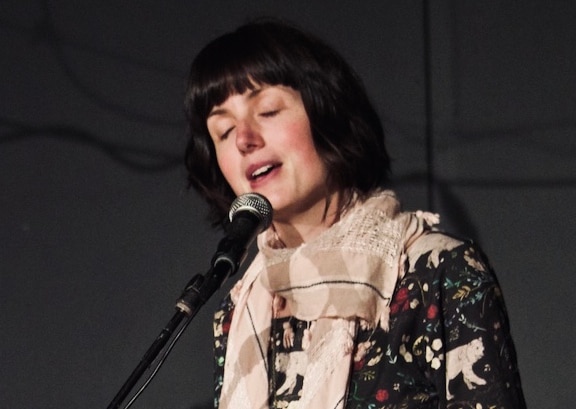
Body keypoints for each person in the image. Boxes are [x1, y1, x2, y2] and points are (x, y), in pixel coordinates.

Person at [184, 19, 526, 409]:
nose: (245, 139)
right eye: (224, 131)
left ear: (326, 112)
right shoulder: (239, 310)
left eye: (268, 110)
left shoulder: (438, 274)